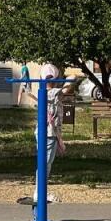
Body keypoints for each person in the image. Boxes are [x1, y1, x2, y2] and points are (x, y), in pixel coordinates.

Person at [23, 64, 78, 204]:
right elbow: (72, 78)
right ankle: (39, 193)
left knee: (43, 162)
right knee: (45, 164)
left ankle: (40, 191)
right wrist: (62, 79)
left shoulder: (40, 92)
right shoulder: (55, 93)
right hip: (49, 133)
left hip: (41, 131)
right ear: (55, 79)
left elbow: (27, 91)